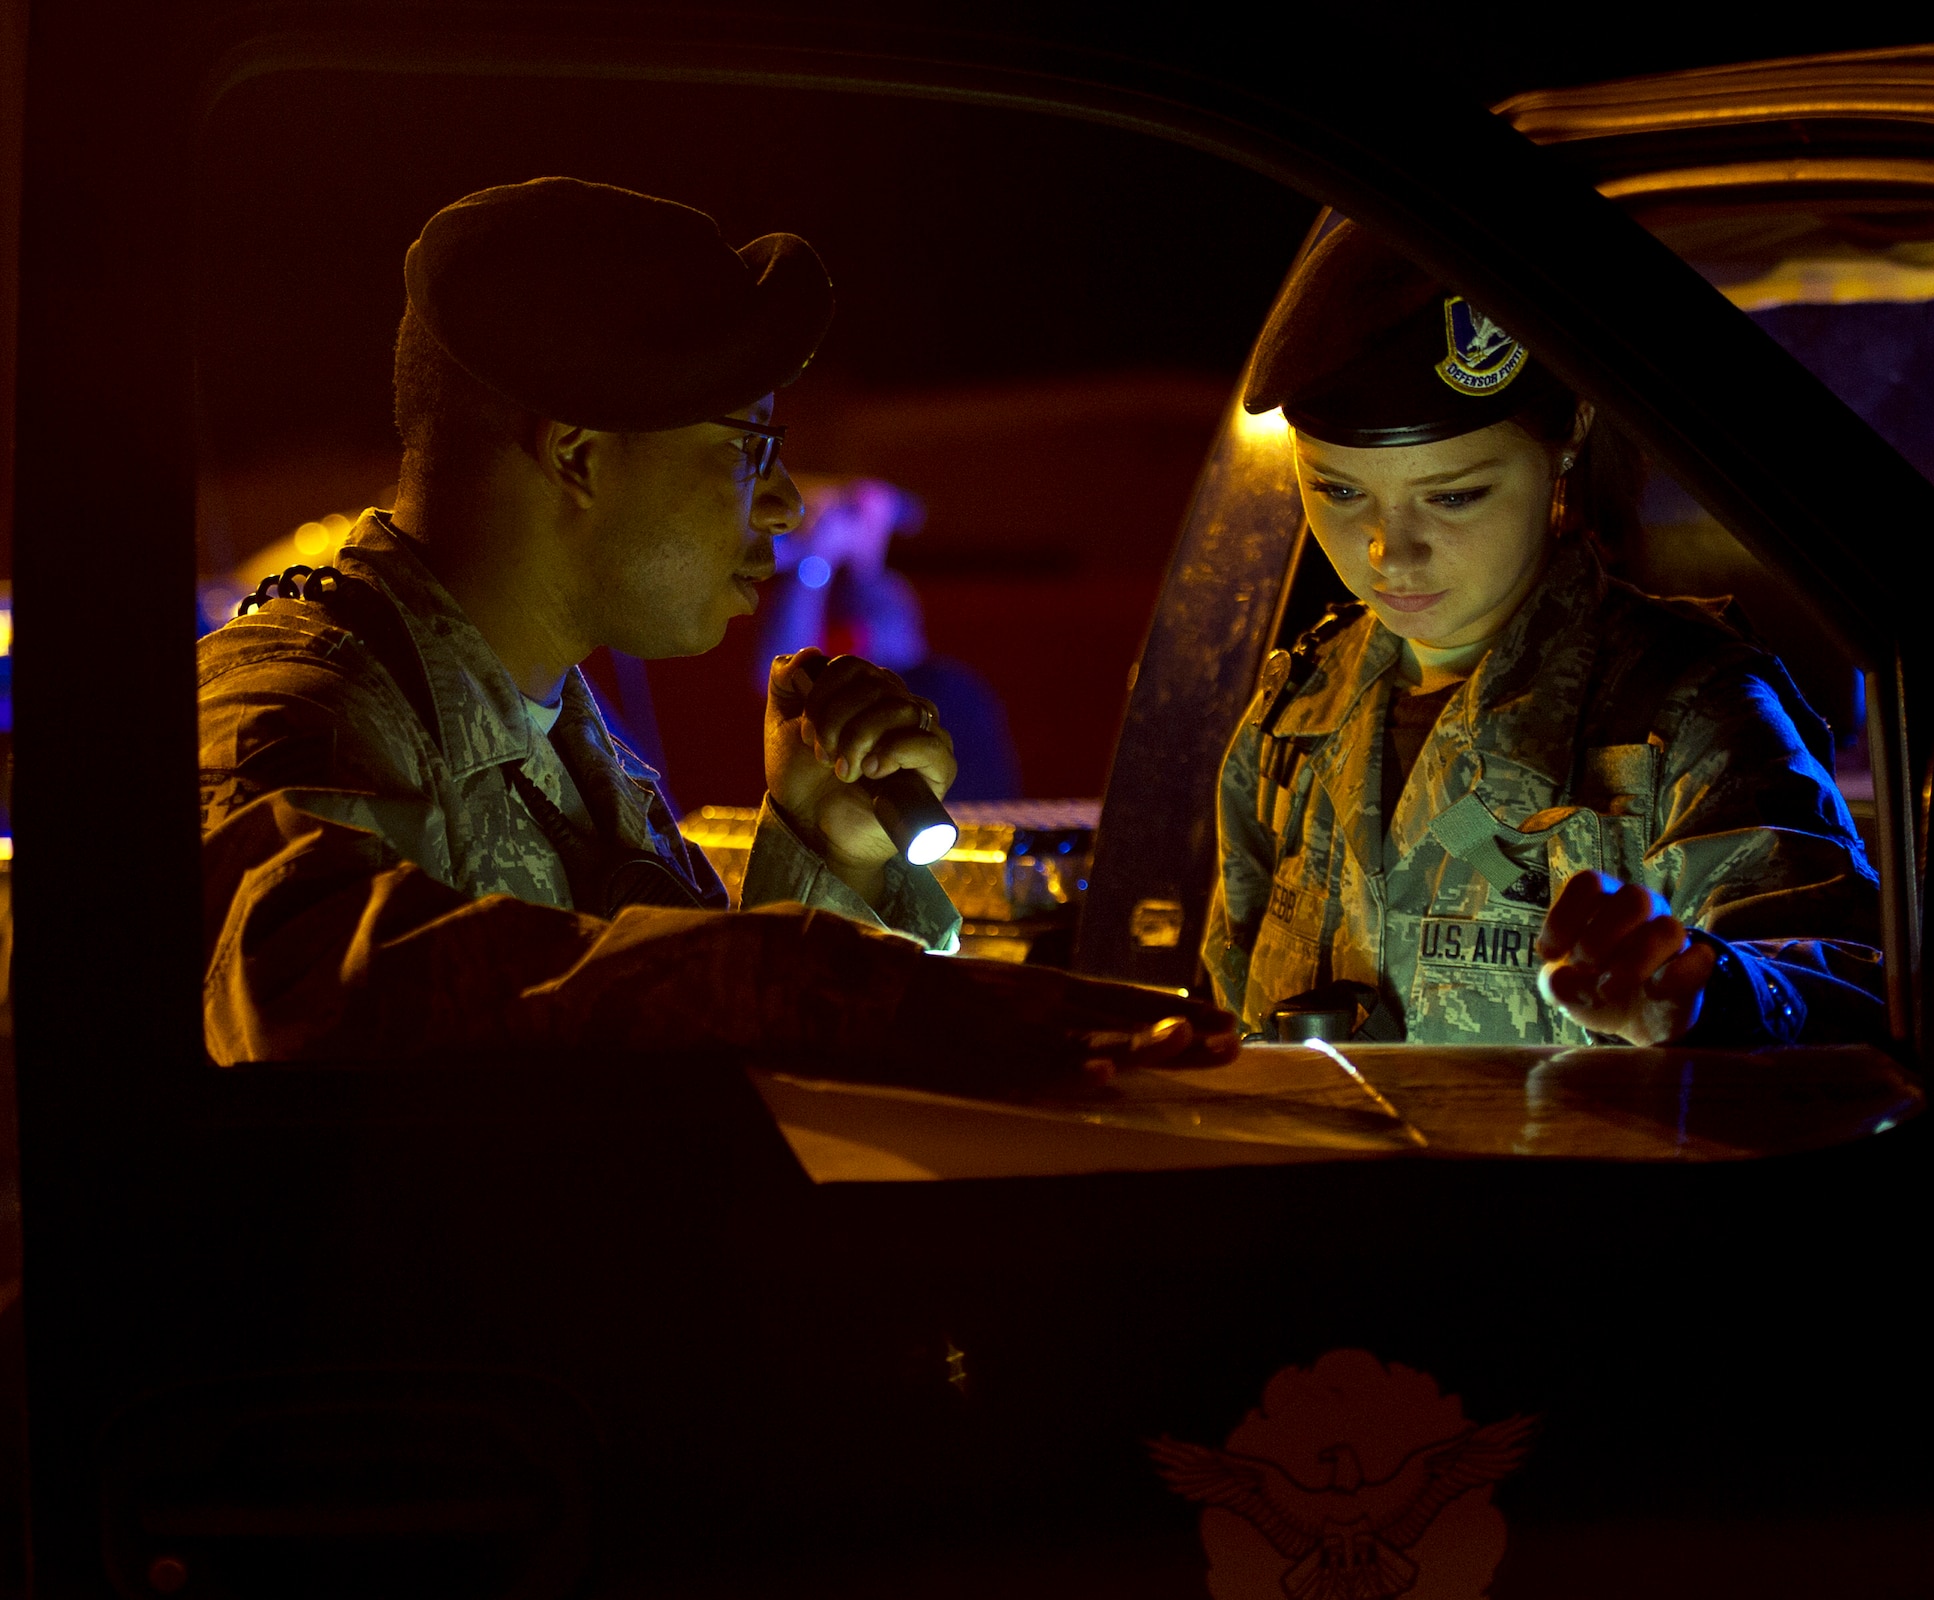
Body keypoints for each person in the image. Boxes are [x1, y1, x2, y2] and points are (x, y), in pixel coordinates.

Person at [198, 177, 1233, 1082]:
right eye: (751, 448)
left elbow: (676, 1088)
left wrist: (830, 852)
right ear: (578, 456)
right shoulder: (293, 703)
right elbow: (305, 988)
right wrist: (799, 978)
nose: (783, 504)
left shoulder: (568, 741)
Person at [1202, 221, 1884, 1047]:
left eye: (1454, 497)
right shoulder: (1297, 718)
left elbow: (1846, 994)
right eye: (1340, 494)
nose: (1390, 551)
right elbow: (1226, 1020)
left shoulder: (1688, 718)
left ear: (1567, 442)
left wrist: (1702, 993)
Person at [759, 475, 1022, 799]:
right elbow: (779, 672)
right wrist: (841, 549)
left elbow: (782, 665)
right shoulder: (936, 685)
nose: (882, 592)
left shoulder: (948, 688)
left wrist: (822, 554)